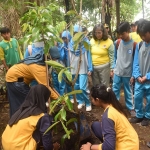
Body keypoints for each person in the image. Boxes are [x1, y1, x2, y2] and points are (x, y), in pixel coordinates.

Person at [80, 84, 139, 150]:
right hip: (132, 142)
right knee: (96, 126)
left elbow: (109, 148)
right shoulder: (114, 106)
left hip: (126, 147)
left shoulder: (107, 116)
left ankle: (108, 143)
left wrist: (90, 147)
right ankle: (108, 142)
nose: (91, 101)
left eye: (92, 99)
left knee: (108, 145)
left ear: (97, 99)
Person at [2, 84, 60, 150]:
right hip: (19, 147)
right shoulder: (42, 116)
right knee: (44, 129)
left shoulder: (21, 110)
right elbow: (46, 138)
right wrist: (52, 147)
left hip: (5, 143)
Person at [6, 50, 59, 117]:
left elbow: (47, 82)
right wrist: (59, 100)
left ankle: (16, 119)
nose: (55, 62)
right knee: (28, 102)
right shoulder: (38, 67)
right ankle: (21, 120)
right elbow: (46, 87)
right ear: (49, 58)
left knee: (18, 103)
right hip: (15, 80)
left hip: (14, 77)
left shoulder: (39, 60)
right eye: (54, 59)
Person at [64, 25, 93, 111]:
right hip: (74, 69)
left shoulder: (86, 43)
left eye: (78, 33)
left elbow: (89, 56)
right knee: (76, 87)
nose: (76, 35)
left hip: (83, 68)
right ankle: (81, 101)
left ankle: (88, 102)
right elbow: (69, 57)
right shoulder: (71, 44)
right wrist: (69, 68)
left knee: (82, 87)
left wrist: (90, 68)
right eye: (75, 33)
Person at [112, 22, 136, 117]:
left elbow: (135, 61)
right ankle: (115, 106)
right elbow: (114, 57)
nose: (121, 36)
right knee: (115, 89)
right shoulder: (117, 43)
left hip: (128, 73)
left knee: (128, 91)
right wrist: (113, 68)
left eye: (123, 33)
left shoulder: (134, 45)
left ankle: (130, 107)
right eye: (119, 34)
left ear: (128, 31)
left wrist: (133, 75)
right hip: (117, 72)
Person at [130, 19, 150, 126]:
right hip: (139, 79)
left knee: (149, 99)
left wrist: (147, 77)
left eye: (144, 34)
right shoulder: (139, 45)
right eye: (141, 35)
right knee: (137, 97)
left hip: (148, 79)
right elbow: (135, 62)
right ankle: (139, 115)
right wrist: (136, 75)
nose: (143, 37)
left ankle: (147, 116)